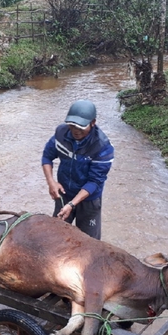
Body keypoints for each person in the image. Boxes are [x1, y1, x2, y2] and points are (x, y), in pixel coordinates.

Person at [41, 99, 115, 240]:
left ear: (93, 123)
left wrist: (72, 204)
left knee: (89, 243)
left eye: (81, 126)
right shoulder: (61, 134)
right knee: (56, 237)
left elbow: (94, 182)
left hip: (88, 201)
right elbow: (47, 157)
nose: (75, 130)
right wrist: (51, 183)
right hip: (64, 194)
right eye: (72, 125)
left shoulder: (102, 147)